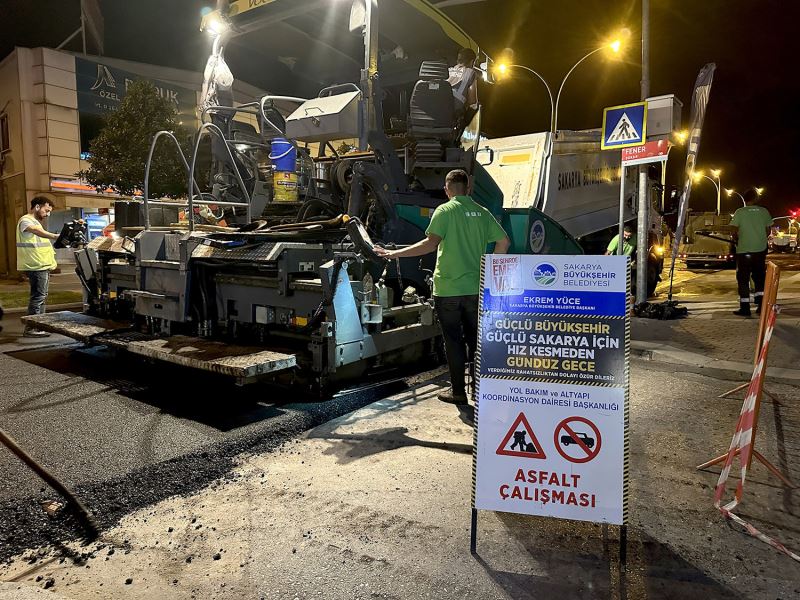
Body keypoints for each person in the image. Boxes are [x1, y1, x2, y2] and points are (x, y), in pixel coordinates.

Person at [376, 169, 510, 404]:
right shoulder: (482, 212)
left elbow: (430, 244)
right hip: (476, 289)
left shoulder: (445, 211)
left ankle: (458, 392)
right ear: (468, 189)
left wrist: (394, 253)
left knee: (453, 340)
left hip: (448, 289)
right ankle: (480, 393)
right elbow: (504, 242)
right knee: (476, 341)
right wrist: (490, 271)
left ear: (447, 190)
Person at [16, 196, 59, 337]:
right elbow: (35, 230)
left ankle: (38, 326)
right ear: (37, 207)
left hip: (41, 264)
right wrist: (54, 236)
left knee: (41, 296)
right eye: (46, 210)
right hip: (35, 265)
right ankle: (31, 328)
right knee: (38, 297)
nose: (48, 214)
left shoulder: (35, 221)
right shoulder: (26, 220)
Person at [730, 187, 772, 317]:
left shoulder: (740, 212)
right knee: (759, 278)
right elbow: (768, 230)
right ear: (756, 198)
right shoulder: (764, 211)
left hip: (744, 251)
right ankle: (761, 306)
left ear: (744, 199)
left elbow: (733, 230)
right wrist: (760, 238)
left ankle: (745, 308)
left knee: (743, 279)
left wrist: (738, 239)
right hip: (760, 250)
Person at [447, 47, 479, 113]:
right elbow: (472, 102)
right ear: (472, 61)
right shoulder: (470, 73)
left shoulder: (449, 70)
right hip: (453, 110)